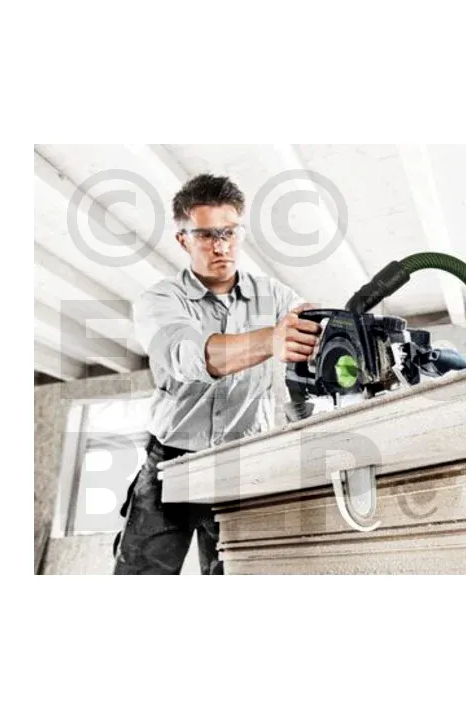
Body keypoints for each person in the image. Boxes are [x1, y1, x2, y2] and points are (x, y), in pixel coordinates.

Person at [113, 173, 321, 574]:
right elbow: (187, 355)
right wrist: (272, 339)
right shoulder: (160, 300)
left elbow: (310, 328)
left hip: (244, 462)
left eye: (229, 232)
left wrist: (325, 329)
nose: (221, 246)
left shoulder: (276, 296)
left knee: (237, 574)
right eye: (206, 235)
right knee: (141, 575)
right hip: (171, 460)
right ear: (183, 240)